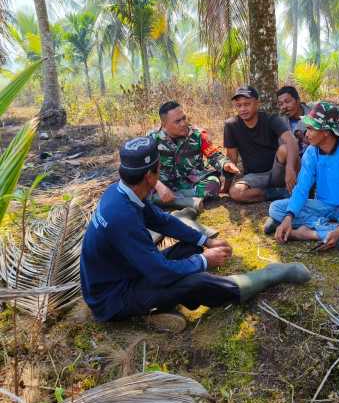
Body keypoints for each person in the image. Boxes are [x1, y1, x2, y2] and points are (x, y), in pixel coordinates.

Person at [80, 136, 311, 331]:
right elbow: (160, 272)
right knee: (194, 281)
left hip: (127, 273)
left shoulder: (121, 192)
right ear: (151, 175)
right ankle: (268, 276)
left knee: (190, 248)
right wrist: (204, 260)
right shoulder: (122, 216)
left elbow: (161, 220)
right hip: (113, 299)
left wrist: (206, 241)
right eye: (159, 168)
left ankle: (161, 306)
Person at [265, 101, 339, 249]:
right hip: (324, 207)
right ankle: (324, 227)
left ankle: (309, 233)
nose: (306, 134)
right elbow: (302, 188)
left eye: (310, 129)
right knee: (276, 208)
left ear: (326, 131)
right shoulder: (311, 152)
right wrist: (289, 217)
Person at [149, 101, 240, 211]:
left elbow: (214, 155)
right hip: (164, 182)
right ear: (164, 124)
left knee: (213, 184)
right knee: (141, 188)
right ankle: (182, 200)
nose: (183, 123)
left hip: (191, 182)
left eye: (184, 118)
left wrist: (225, 164)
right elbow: (144, 169)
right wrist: (158, 186)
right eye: (177, 121)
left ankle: (169, 200)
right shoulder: (152, 139)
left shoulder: (198, 135)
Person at [224, 86, 300, 203]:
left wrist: (290, 169)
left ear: (257, 103)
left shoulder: (271, 119)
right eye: (239, 105)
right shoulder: (231, 125)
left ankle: (301, 188)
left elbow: (291, 141)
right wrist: (226, 187)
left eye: (247, 104)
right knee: (236, 192)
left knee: (285, 149)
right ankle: (278, 193)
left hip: (277, 171)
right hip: (255, 176)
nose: (243, 109)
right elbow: (232, 159)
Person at [277, 85, 339, 156]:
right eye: (281, 104)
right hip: (296, 161)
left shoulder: (316, 112)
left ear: (298, 100)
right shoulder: (281, 123)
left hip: (322, 156)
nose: (284, 107)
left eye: (287, 101)